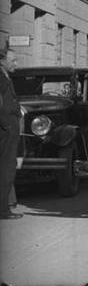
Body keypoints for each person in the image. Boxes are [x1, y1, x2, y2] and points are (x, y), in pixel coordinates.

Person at [0, 48, 23, 219]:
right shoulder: (1, 78)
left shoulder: (5, 77)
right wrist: (17, 110)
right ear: (2, 61)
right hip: (6, 129)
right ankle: (3, 210)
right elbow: (5, 106)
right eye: (13, 60)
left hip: (7, 127)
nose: (16, 63)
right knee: (6, 169)